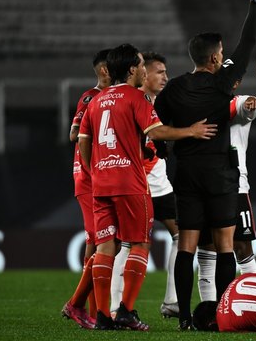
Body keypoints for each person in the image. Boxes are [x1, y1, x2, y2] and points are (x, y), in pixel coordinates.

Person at [78, 43, 217, 331]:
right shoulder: (136, 98)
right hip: (130, 182)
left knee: (105, 247)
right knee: (139, 243)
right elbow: (158, 132)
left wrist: (95, 170)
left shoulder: (98, 100)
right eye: (142, 65)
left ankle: (103, 314)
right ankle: (127, 310)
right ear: (131, 70)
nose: (145, 70)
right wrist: (191, 131)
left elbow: (82, 140)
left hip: (102, 184)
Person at [154, 0, 256, 330]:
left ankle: (185, 317)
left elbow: (157, 131)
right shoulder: (222, 83)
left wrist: (178, 139)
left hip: (185, 173)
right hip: (219, 174)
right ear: (216, 58)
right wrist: (254, 0)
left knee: (187, 246)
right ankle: (222, 315)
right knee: (225, 245)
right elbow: (247, 44)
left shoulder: (172, 89)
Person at [109, 51, 181, 319]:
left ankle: (172, 300)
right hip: (138, 183)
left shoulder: (157, 102)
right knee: (128, 243)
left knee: (182, 233)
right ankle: (116, 306)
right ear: (143, 74)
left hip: (159, 183)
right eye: (159, 71)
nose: (165, 76)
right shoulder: (133, 101)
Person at [197, 80, 256, 302]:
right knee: (206, 250)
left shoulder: (238, 104)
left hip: (236, 187)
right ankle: (208, 309)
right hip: (202, 186)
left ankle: (254, 303)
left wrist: (252, 102)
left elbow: (247, 106)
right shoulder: (197, 105)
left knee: (242, 247)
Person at [61, 48, 111, 329]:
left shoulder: (109, 97)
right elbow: (74, 133)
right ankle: (80, 306)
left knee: (98, 241)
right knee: (100, 240)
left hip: (99, 179)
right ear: (104, 70)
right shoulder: (91, 97)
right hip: (89, 179)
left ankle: (91, 310)